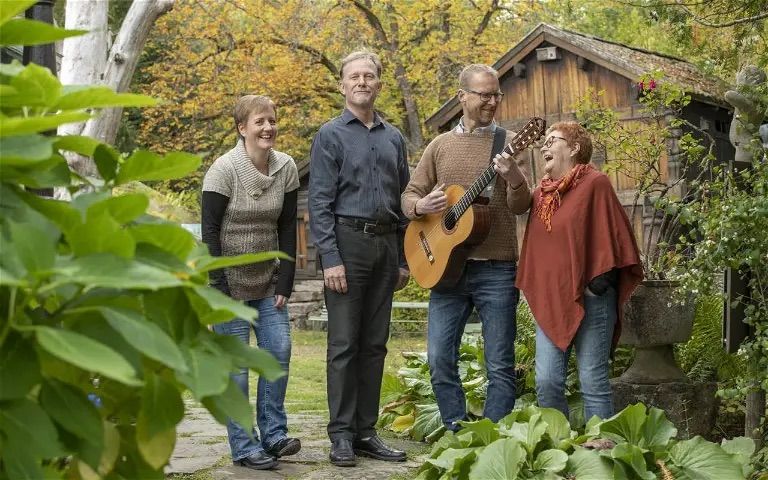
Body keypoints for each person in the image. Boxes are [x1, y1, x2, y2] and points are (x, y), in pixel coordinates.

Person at [401, 64, 532, 432]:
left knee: (499, 364)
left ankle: (490, 439)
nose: (492, 101)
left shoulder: (510, 143)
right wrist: (419, 206)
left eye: (496, 95)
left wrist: (514, 177)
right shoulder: (439, 145)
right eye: (484, 94)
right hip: (443, 266)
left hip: (497, 268)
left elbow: (523, 205)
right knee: (440, 358)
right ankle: (456, 431)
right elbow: (409, 195)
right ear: (462, 96)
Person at [309, 51, 411, 467]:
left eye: (369, 76)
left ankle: (367, 432)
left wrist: (404, 257)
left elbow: (405, 199)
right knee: (344, 344)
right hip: (347, 245)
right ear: (343, 85)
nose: (362, 82)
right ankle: (341, 435)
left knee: (374, 345)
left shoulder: (394, 137)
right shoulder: (330, 135)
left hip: (387, 247)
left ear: (378, 84)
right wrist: (330, 258)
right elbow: (318, 202)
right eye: (355, 76)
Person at [516, 121, 643, 422]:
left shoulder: (595, 183)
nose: (544, 146)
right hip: (552, 300)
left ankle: (601, 455)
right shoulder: (542, 195)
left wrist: (597, 283)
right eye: (543, 142)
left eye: (552, 140)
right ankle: (559, 449)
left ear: (574, 148)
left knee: (592, 381)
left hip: (593, 300)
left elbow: (615, 235)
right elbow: (539, 250)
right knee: (547, 382)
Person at [201, 95, 301, 471]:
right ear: (242, 128)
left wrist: (285, 282)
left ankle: (273, 435)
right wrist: (220, 286)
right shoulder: (223, 170)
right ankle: (244, 446)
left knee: (278, 354)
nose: (268, 128)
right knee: (237, 370)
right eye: (259, 122)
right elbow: (209, 231)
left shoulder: (287, 167)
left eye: (272, 120)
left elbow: (287, 226)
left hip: (268, 283)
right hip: (228, 285)